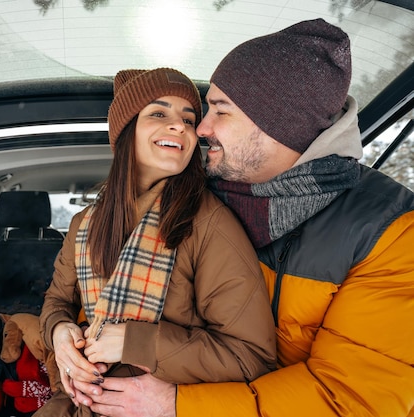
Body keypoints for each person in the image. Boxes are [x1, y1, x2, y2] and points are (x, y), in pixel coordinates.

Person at [72, 18, 414, 417]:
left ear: (276, 122)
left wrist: (177, 405)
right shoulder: (192, 197)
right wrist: (72, 340)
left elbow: (352, 398)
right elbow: (114, 298)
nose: (200, 129)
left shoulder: (389, 232)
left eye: (220, 110)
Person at [36, 67, 277, 416]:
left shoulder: (209, 224)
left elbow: (249, 358)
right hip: (78, 405)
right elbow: (57, 299)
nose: (179, 126)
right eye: (159, 113)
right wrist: (59, 333)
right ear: (127, 130)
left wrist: (137, 343)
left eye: (189, 119)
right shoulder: (83, 224)